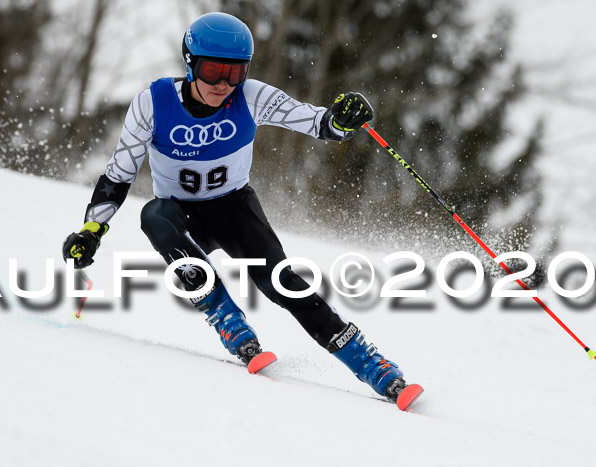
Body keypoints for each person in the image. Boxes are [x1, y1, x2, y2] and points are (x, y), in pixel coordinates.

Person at [63, 12, 409, 401]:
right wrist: (92, 229)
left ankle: (372, 365)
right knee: (155, 215)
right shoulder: (153, 103)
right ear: (189, 62)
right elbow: (118, 173)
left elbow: (317, 122)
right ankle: (225, 316)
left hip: (235, 210)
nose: (223, 84)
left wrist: (342, 121)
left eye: (235, 73)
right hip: (183, 217)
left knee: (283, 286)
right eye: (212, 71)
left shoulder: (251, 96)